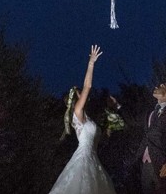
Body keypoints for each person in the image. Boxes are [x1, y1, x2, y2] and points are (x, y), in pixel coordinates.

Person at [48, 45, 118, 194]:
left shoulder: (89, 119)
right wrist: (91, 63)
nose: (84, 94)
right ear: (76, 98)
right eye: (80, 93)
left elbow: (100, 140)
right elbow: (88, 86)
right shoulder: (78, 111)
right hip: (83, 159)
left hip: (94, 160)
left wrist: (108, 129)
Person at [135, 80, 166, 194]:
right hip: (145, 162)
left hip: (161, 164)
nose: (156, 86)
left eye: (162, 86)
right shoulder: (151, 113)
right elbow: (146, 136)